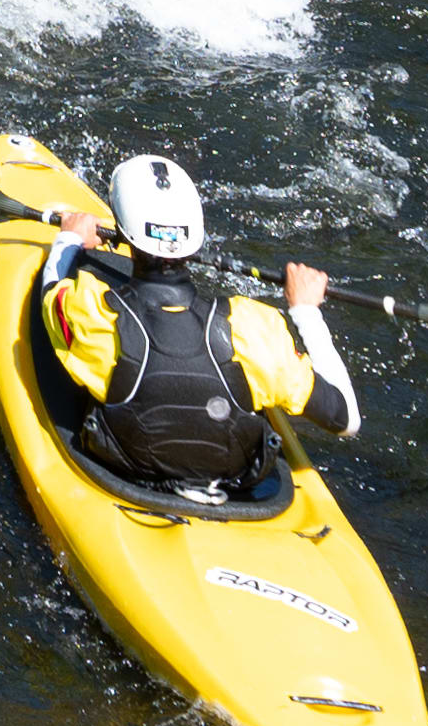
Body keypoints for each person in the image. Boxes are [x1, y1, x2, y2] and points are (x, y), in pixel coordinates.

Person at [28, 152, 359, 502]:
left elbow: (50, 289)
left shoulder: (92, 312)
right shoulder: (254, 329)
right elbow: (347, 419)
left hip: (127, 470)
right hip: (234, 483)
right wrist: (306, 311)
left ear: (124, 235)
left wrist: (70, 239)